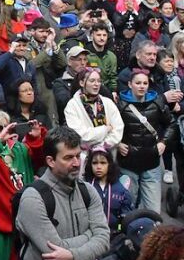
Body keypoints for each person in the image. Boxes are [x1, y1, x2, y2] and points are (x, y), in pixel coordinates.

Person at [14, 126, 110, 260]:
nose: (77, 163)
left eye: (78, 156)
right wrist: (89, 238)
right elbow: (55, 251)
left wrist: (74, 254)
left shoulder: (87, 191)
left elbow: (104, 238)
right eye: (68, 157)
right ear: (50, 160)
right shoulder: (34, 198)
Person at [115, 67, 174, 212]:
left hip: (151, 162)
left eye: (145, 83)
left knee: (153, 210)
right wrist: (117, 144)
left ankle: (152, 234)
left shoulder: (157, 103)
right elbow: (110, 128)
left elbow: (172, 123)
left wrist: (163, 141)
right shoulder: (120, 106)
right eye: (138, 83)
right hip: (128, 163)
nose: (142, 86)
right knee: (127, 207)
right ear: (130, 84)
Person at [62, 68, 123, 155]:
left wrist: (101, 148)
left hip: (107, 156)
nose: (96, 84)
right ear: (82, 83)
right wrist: (105, 129)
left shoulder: (108, 102)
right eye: (92, 81)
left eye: (99, 81)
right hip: (85, 157)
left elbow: (118, 130)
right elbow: (81, 136)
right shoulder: (72, 105)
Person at [83, 147, 134, 232]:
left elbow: (126, 215)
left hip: (114, 233)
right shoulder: (85, 186)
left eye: (103, 163)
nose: (98, 167)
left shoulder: (120, 189)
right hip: (90, 233)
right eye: (95, 163)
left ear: (110, 164)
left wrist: (120, 229)